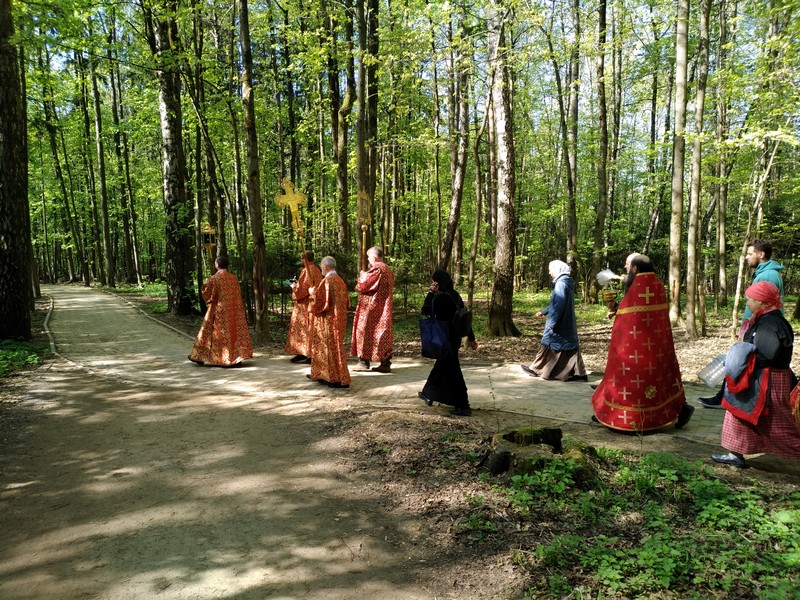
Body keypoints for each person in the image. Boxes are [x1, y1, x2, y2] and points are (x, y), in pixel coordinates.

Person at [591, 254, 695, 431]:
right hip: (658, 347)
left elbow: (627, 318)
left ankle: (619, 415)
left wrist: (616, 313)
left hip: (634, 349)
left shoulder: (637, 287)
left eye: (628, 266)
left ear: (635, 268)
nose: (626, 269)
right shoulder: (657, 285)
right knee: (664, 379)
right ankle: (680, 408)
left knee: (629, 380)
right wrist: (616, 307)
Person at [711, 282, 798, 468]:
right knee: (739, 414)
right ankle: (735, 454)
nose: (747, 303)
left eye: (750, 299)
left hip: (768, 381)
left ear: (762, 301)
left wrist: (738, 357)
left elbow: (766, 355)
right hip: (757, 378)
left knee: (778, 425)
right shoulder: (764, 319)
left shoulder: (771, 324)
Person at [698, 239, 785, 408]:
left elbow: (764, 303)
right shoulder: (764, 273)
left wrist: (750, 326)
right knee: (741, 361)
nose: (746, 257)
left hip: (760, 327)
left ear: (761, 254)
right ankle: (725, 397)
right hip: (756, 325)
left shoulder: (768, 275)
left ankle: (727, 399)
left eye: (750, 253)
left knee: (741, 362)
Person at [418, 270, 478, 416]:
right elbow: (463, 318)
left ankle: (463, 405)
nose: (432, 284)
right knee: (441, 367)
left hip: (444, 339)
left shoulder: (441, 298)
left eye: (434, 281)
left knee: (453, 372)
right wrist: (471, 337)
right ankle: (428, 393)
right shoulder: (455, 295)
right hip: (454, 339)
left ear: (437, 283)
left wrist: (430, 293)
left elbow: (425, 310)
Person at [521, 259, 587, 381]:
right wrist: (544, 311)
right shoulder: (565, 282)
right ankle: (579, 374)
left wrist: (552, 323)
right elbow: (556, 303)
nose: (549, 272)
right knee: (569, 346)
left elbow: (558, 305)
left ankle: (536, 369)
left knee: (547, 341)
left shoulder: (561, 284)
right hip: (566, 321)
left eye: (550, 269)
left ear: (557, 270)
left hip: (560, 321)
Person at [188, 255, 253, 367]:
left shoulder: (214, 278)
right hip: (234, 311)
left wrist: (204, 287)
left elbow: (208, 294)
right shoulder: (233, 278)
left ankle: (200, 357)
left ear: (217, 265)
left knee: (209, 332)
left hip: (218, 310)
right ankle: (236, 358)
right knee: (233, 333)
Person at [307, 256, 351, 388]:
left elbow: (320, 302)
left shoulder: (328, 280)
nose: (321, 269)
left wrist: (312, 293)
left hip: (329, 321)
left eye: (321, 266)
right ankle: (326, 375)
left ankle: (334, 378)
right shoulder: (340, 280)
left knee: (330, 348)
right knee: (336, 347)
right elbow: (347, 302)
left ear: (326, 266)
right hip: (339, 319)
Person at [351, 246, 395, 373]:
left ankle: (363, 362)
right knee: (381, 333)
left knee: (364, 332)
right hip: (383, 307)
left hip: (372, 308)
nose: (368, 260)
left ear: (374, 257)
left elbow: (363, 285)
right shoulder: (387, 269)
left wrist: (362, 276)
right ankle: (385, 363)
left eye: (369, 257)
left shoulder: (377, 269)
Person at [285, 250, 322, 363]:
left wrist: (293, 287)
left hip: (304, 305)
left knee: (302, 327)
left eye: (301, 258)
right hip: (312, 303)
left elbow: (302, 289)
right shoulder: (317, 270)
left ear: (304, 259)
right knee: (310, 327)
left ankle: (306, 353)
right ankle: (303, 352)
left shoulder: (307, 270)